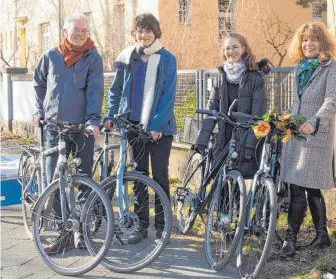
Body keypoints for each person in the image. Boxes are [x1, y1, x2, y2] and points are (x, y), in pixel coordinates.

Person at [33, 14, 104, 254]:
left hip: (81, 129)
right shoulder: (51, 56)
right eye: (76, 30)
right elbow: (38, 83)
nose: (81, 34)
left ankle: (81, 231)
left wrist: (93, 121)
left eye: (84, 30)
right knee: (54, 179)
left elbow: (96, 91)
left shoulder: (93, 57)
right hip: (54, 126)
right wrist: (39, 111)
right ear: (65, 32)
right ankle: (63, 230)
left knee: (84, 179)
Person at [104, 13, 177, 244]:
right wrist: (111, 116)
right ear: (134, 33)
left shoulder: (167, 58)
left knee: (160, 176)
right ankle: (142, 225)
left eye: (148, 30)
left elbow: (168, 95)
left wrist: (156, 125)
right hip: (133, 126)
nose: (143, 35)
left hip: (159, 128)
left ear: (156, 32)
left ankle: (163, 227)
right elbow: (115, 90)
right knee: (138, 177)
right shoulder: (127, 58)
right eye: (139, 31)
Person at [278, 22, 336, 258]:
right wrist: (282, 118)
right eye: (304, 39)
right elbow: (298, 103)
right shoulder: (301, 68)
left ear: (323, 43)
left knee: (299, 184)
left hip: (315, 133)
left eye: (313, 39)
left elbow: (332, 101)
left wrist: (316, 122)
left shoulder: (334, 68)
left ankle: (290, 239)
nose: (308, 44)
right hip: (296, 134)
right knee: (309, 186)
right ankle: (322, 235)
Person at [195, 33, 267, 177]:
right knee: (218, 182)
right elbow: (211, 110)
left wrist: (249, 147)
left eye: (235, 47)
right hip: (224, 135)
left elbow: (258, 116)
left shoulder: (255, 78)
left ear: (243, 49)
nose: (231, 52)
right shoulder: (220, 78)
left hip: (244, 135)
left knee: (237, 181)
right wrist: (202, 141)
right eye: (227, 48)